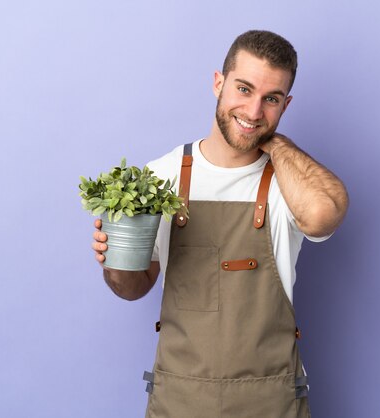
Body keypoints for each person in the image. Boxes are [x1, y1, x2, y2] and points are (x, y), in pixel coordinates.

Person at [91, 30, 348, 418]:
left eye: (271, 100)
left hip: (271, 402)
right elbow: (132, 288)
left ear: (286, 105)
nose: (254, 110)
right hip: (180, 399)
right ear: (218, 82)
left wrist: (274, 142)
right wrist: (114, 258)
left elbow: (321, 217)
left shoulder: (289, 182)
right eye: (244, 90)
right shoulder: (162, 176)